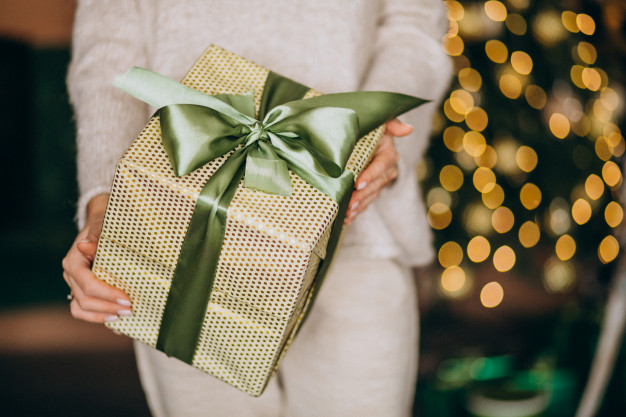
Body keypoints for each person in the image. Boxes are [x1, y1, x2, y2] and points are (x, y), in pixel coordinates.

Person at [62, 1, 451, 416]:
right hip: (176, 236)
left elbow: (413, 25)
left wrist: (379, 131)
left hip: (359, 233)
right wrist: (106, 204)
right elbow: (108, 51)